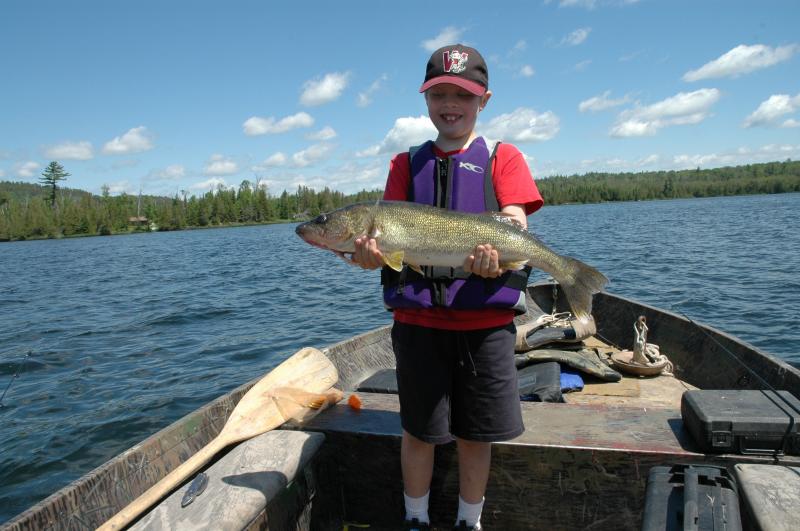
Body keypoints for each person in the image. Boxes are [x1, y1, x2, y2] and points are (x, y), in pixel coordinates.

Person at [351, 44, 543, 531]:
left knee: (477, 434)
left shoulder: (505, 158)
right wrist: (366, 256)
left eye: (463, 94)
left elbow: (515, 223)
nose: (450, 103)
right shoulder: (404, 164)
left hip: (486, 328)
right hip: (418, 326)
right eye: (439, 93)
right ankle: (415, 518)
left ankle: (468, 522)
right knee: (419, 431)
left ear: (485, 100)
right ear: (426, 99)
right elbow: (381, 245)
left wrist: (499, 254)